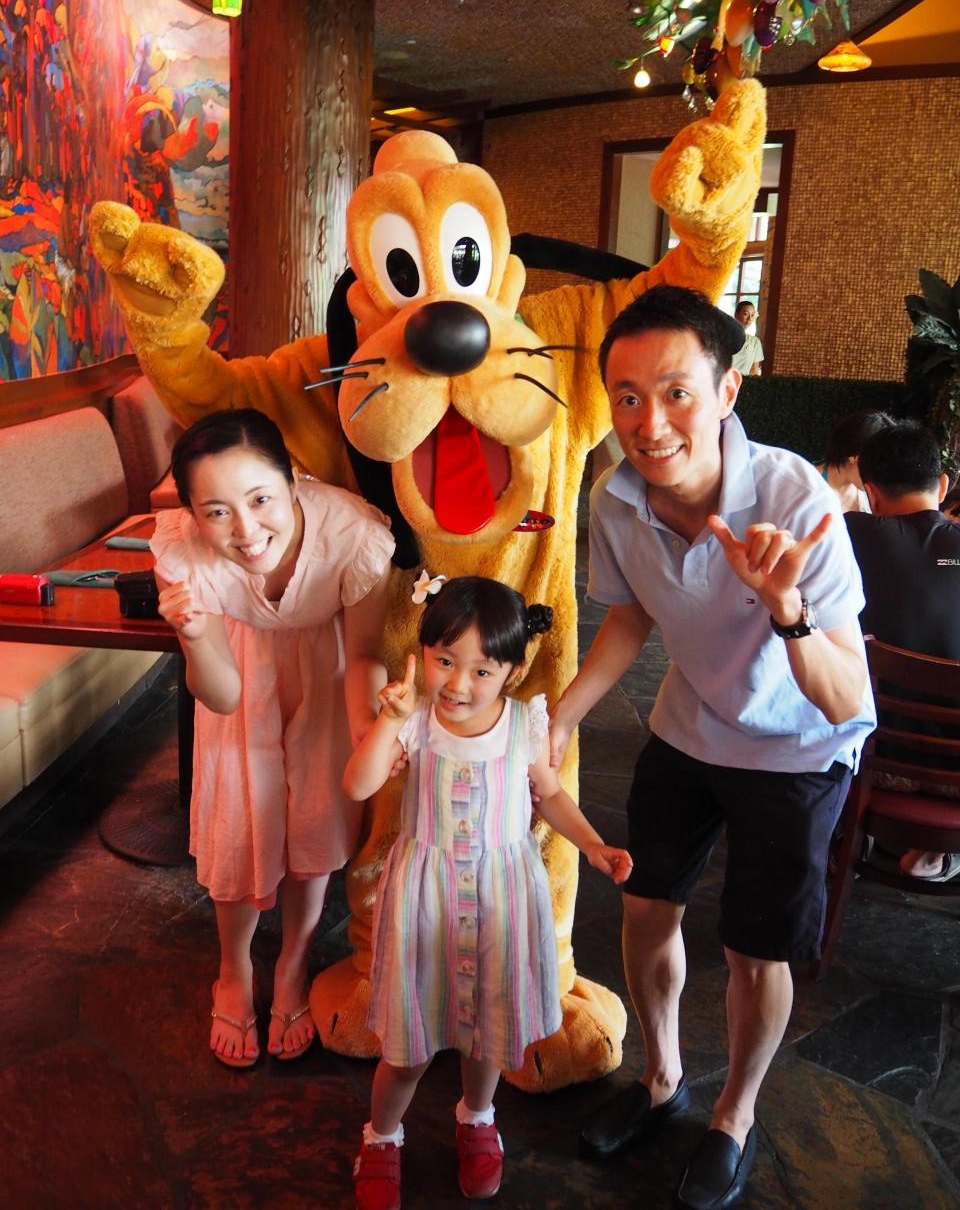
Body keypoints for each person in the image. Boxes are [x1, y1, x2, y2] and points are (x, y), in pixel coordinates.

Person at [550, 285, 875, 1210]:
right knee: (645, 906)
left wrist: (787, 609)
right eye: (627, 397)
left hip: (798, 749)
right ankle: (662, 1081)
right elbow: (629, 616)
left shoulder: (796, 499)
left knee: (754, 951)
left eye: (676, 392)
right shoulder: (617, 499)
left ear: (727, 392)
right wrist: (563, 715)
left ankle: (733, 1114)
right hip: (690, 727)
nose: (650, 423)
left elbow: (848, 697)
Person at [344, 575, 632, 1210]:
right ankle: (382, 1135)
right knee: (407, 1048)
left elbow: (549, 795)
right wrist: (388, 721)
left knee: (487, 1033)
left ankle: (477, 1117)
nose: (457, 683)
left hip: (502, 900)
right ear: (422, 652)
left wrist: (592, 844)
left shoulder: (525, 725)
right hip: (425, 900)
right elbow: (358, 784)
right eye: (444, 660)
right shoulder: (414, 722)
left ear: (513, 670)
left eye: (481, 670)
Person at [152, 408, 394, 1068]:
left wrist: (370, 728)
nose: (245, 528)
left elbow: (365, 651)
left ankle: (292, 964)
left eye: (260, 499)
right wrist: (194, 636)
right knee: (237, 824)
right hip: (239, 674)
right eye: (217, 511)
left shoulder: (353, 534)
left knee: (316, 820)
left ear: (293, 481)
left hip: (328, 675)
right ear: (193, 514)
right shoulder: (182, 555)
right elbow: (222, 694)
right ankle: (233, 969)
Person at [846, 420, 960, 882]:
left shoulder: (848, 535)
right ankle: (934, 853)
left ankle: (846, 832)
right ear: (943, 485)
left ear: (870, 493)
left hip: (868, 763)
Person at [817, 408, 898, 514]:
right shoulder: (808, 486)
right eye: (877, 465)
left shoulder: (870, 495)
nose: (881, 476)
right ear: (854, 456)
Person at [730, 299, 763, 377]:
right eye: (746, 314)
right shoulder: (724, 337)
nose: (749, 318)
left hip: (745, 382)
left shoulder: (755, 342)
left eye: (752, 315)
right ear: (736, 315)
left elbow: (754, 372)